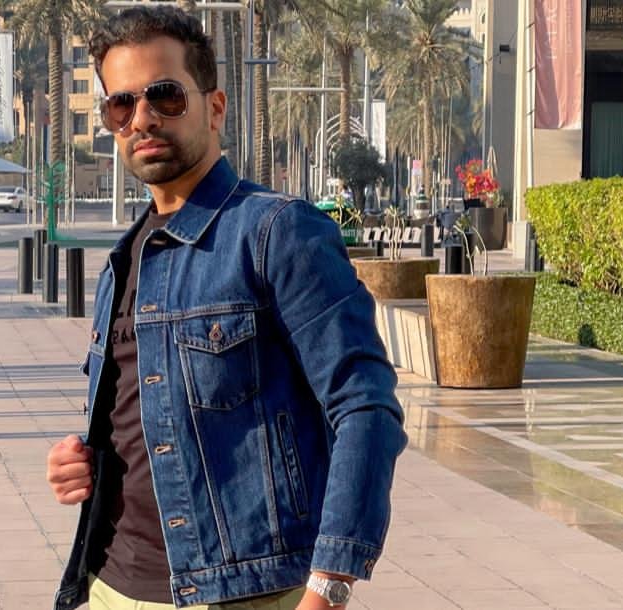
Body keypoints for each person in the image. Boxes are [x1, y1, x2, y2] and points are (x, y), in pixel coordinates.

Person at [48, 7, 405, 610]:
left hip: (242, 593)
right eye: (121, 105)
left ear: (215, 108)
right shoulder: (125, 257)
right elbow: (149, 414)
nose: (143, 118)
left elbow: (366, 406)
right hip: (111, 585)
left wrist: (329, 585)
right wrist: (82, 460)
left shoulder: (276, 232)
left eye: (165, 96)